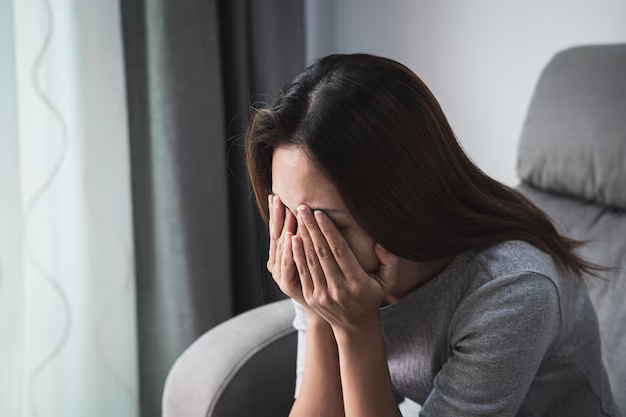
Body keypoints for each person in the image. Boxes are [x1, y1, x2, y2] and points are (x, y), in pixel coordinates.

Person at [244, 53, 622, 417]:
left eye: (330, 226)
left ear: (404, 203)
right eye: (288, 218)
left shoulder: (514, 288)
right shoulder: (319, 263)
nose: (301, 248)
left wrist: (356, 329)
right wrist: (318, 315)